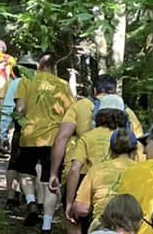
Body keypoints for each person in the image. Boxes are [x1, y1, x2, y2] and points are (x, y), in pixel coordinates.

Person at [49, 74, 143, 222]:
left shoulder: (79, 107)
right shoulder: (128, 112)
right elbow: (140, 145)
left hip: (82, 173)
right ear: (115, 91)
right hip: (121, 177)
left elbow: (62, 138)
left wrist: (53, 172)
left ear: (94, 90)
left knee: (75, 220)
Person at [13, 51, 74, 234]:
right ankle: (47, 226)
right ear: (54, 68)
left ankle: (31, 202)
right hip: (54, 139)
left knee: (25, 173)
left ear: (38, 66)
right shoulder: (62, 85)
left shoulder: (26, 81)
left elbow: (20, 108)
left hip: (30, 135)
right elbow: (71, 113)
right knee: (50, 182)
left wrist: (17, 121)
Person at [0, 57, 33, 208]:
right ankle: (31, 198)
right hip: (39, 129)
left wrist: (3, 132)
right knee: (34, 164)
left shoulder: (14, 84)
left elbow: (8, 109)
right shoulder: (40, 84)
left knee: (14, 162)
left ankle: (11, 198)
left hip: (20, 128)